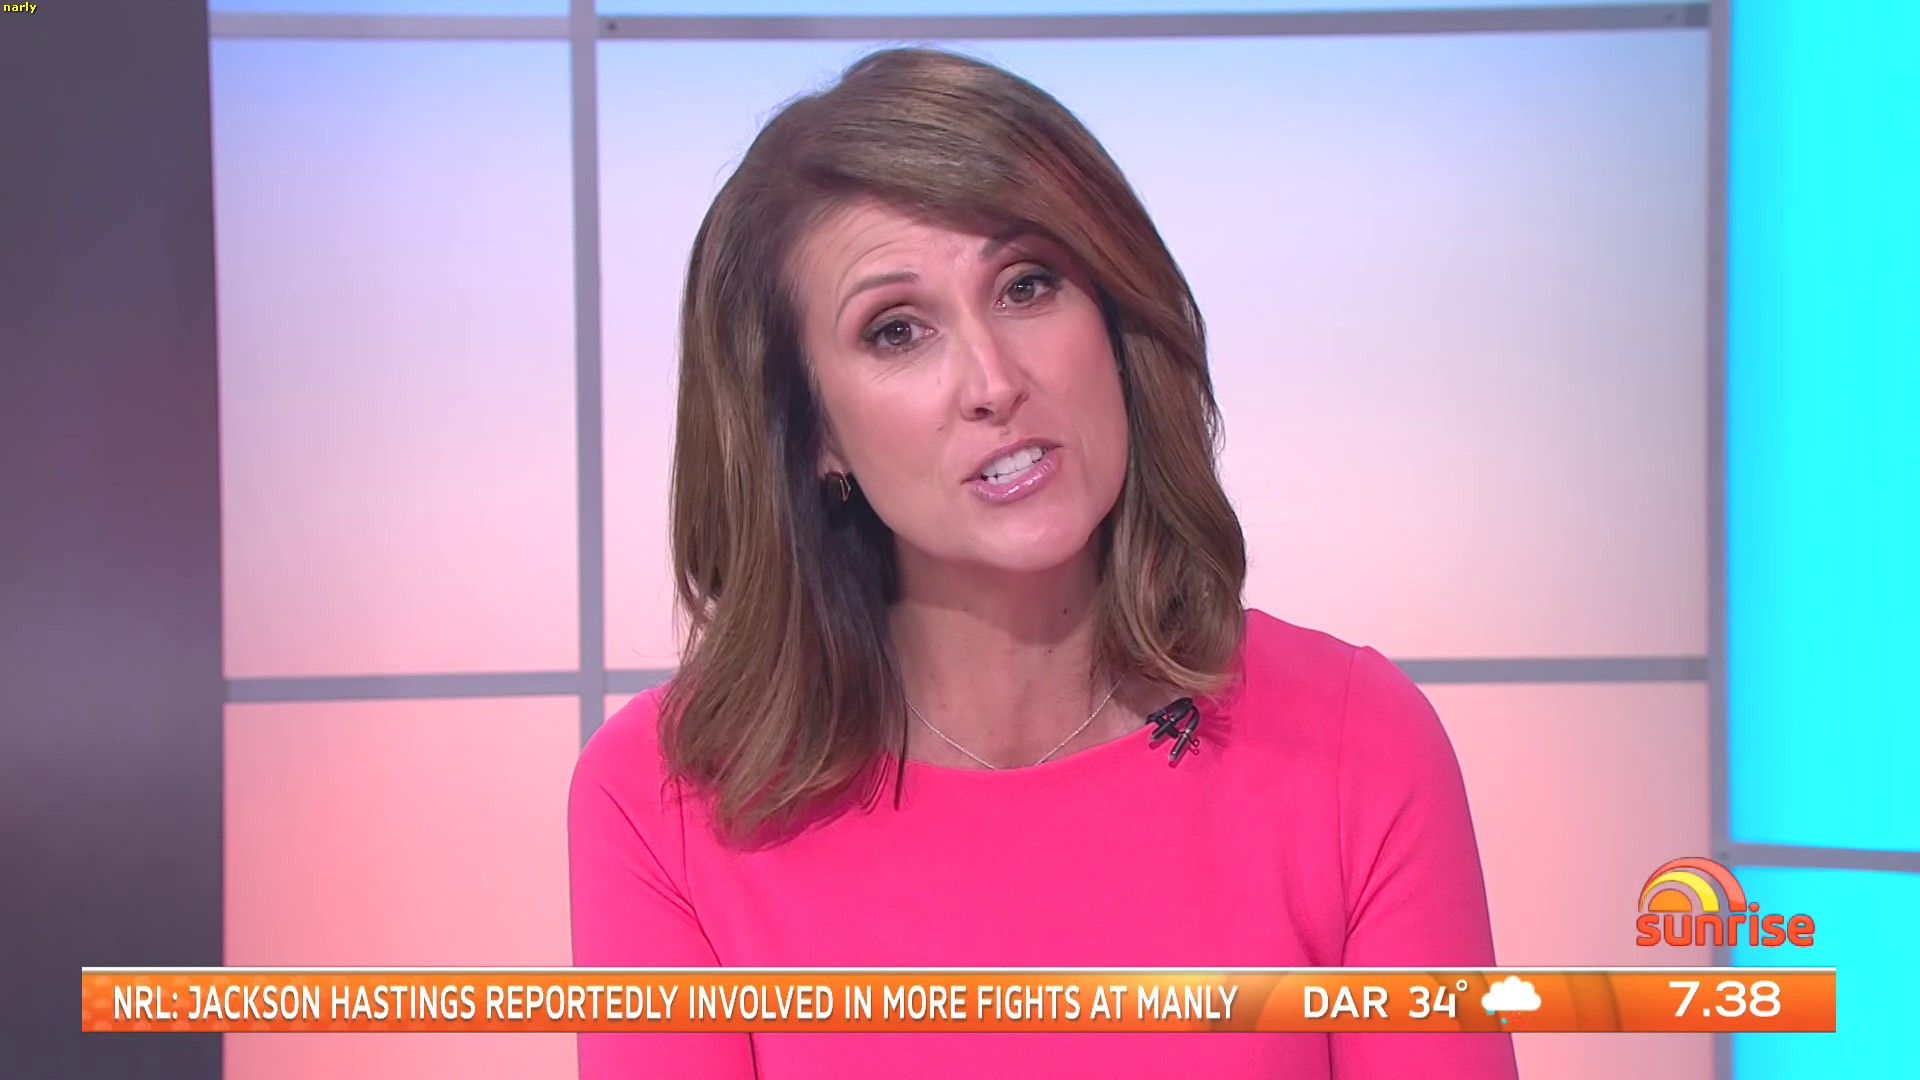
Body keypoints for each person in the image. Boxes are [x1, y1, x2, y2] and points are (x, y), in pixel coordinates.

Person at [569, 45, 1517, 1079]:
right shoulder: (665, 798)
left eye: (1027, 285)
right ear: (814, 436)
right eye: (897, 331)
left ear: (1114, 318)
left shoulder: (1354, 745)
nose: (993, 380)